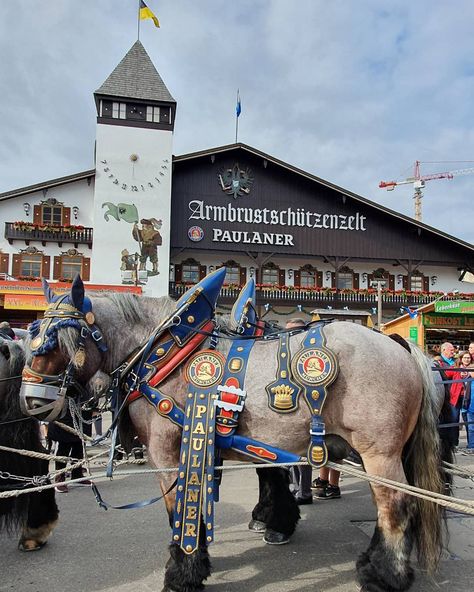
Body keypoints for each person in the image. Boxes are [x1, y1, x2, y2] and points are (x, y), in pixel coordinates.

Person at [48, 404, 93, 493]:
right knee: (64, 446)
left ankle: (77, 475)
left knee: (79, 445)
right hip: (64, 410)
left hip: (81, 410)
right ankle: (59, 479)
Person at [461, 353, 474, 453]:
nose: (471, 372)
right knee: (470, 428)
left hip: (470, 407)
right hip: (468, 407)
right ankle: (471, 446)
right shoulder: (466, 379)